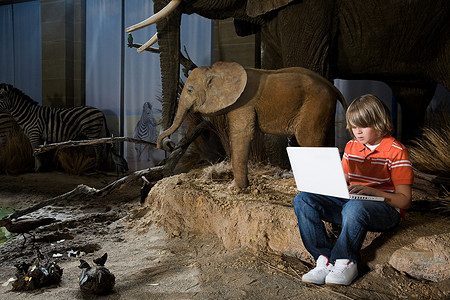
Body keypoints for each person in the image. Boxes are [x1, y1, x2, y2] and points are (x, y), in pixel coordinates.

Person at [293, 94, 414, 285]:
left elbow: (405, 200)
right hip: (352, 204)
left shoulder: (396, 150)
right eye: (354, 126)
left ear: (379, 122)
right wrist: (318, 184)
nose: (357, 132)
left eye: (363, 126)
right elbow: (342, 183)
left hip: (385, 211)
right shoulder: (351, 147)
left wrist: (372, 192)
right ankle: (323, 260)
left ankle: (345, 260)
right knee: (303, 200)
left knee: (354, 207)